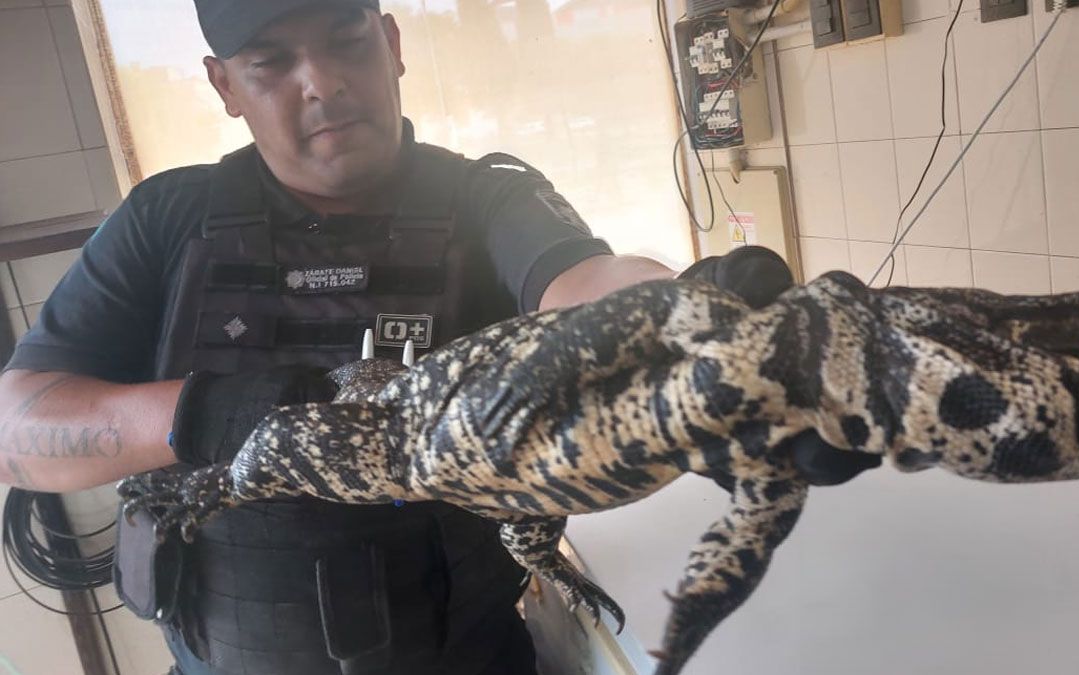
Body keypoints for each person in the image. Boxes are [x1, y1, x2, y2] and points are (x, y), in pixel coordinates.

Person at [0, 1, 810, 673]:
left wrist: (691, 313)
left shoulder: (488, 200)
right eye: (271, 61)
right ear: (225, 86)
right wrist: (215, 415)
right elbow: (17, 431)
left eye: (347, 41)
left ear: (390, 44)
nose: (322, 82)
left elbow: (589, 284)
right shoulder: (165, 219)